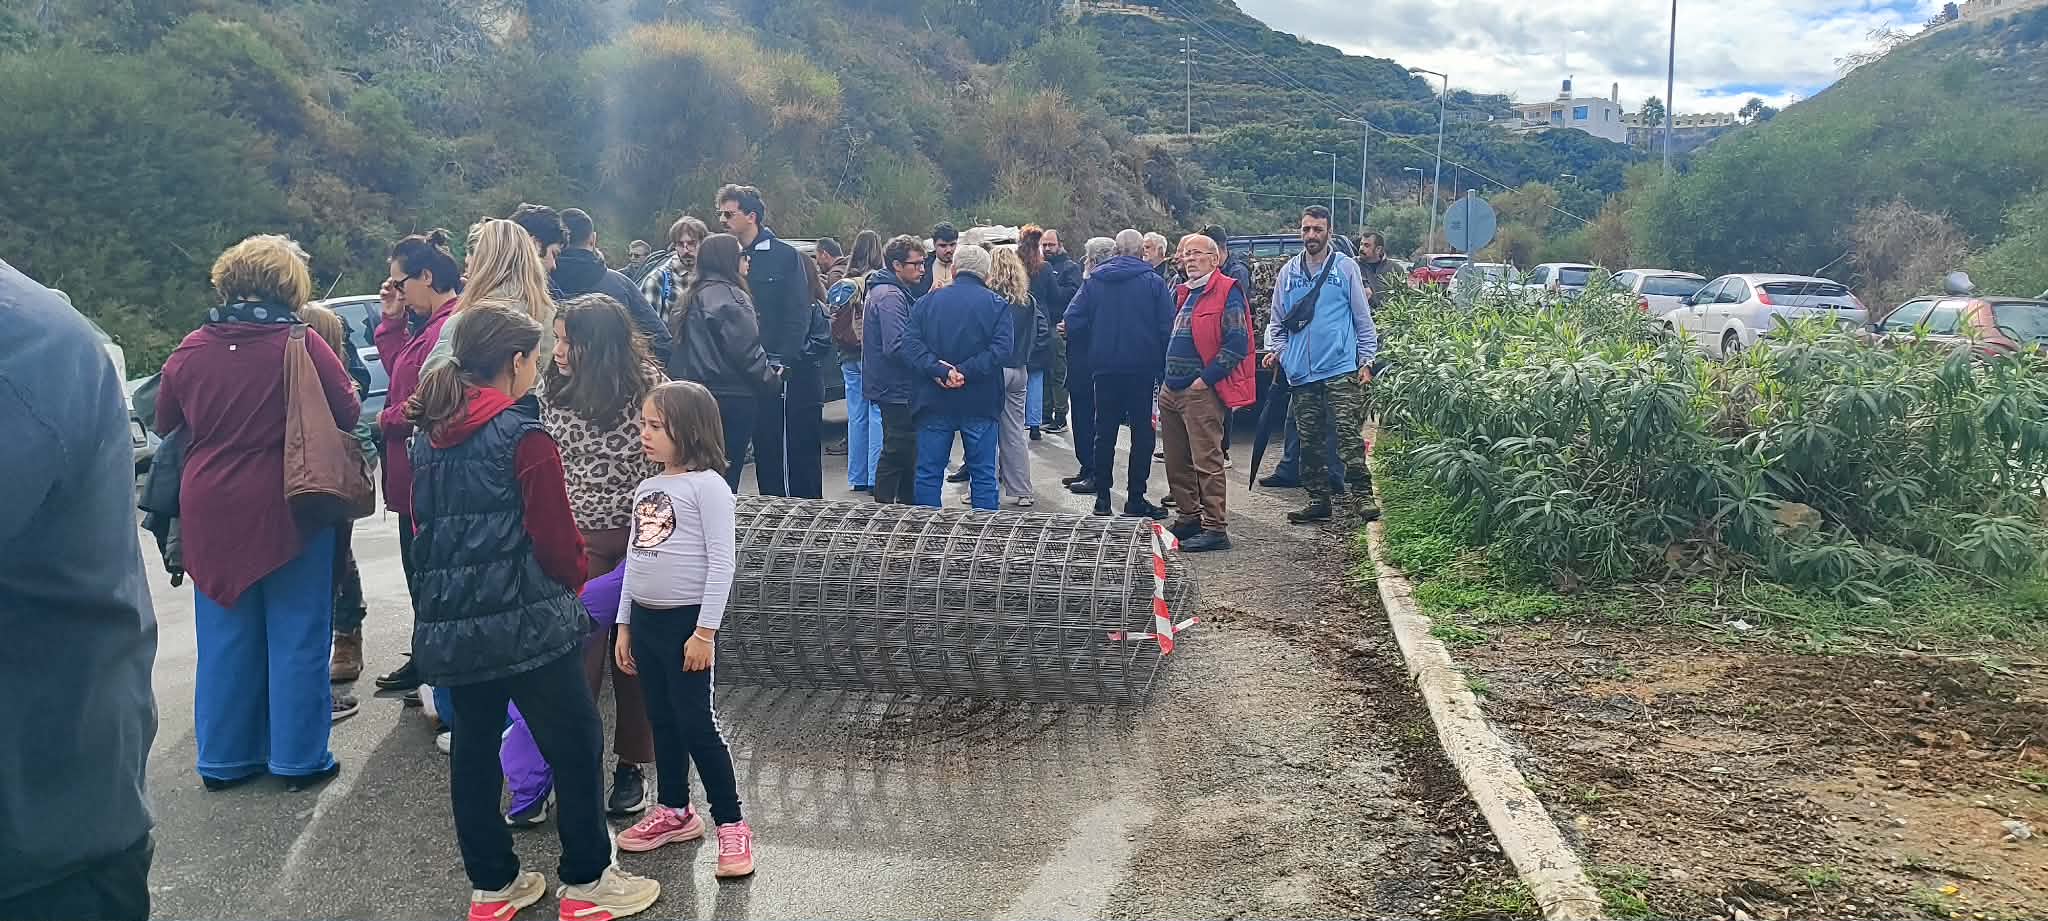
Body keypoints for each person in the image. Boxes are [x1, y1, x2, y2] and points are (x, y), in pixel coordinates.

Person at [405, 304, 662, 921]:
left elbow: (421, 527)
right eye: (537, 356)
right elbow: (555, 539)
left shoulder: (430, 433)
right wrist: (575, 580)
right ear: (516, 362)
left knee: (472, 748)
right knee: (576, 739)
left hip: (454, 620)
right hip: (526, 619)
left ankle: (494, 886)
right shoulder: (525, 436)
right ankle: (588, 880)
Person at [157, 234, 360, 789]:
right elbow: (346, 407)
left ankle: (224, 759)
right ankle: (297, 760)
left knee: (224, 633)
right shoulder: (300, 342)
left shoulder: (191, 347)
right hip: (289, 500)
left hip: (208, 505)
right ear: (289, 285)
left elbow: (164, 421)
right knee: (298, 634)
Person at [0, 260, 158, 921]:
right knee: (281, 635)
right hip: (56, 822)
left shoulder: (22, 350)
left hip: (42, 850)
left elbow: (164, 408)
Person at [526, 293, 663, 824]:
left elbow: (664, 462)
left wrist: (653, 543)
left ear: (598, 344)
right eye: (556, 338)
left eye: (567, 340)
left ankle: (631, 766)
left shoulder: (648, 385)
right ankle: (567, 764)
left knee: (632, 659)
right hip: (574, 539)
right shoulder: (553, 384)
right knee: (574, 659)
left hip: (636, 535)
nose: (556, 349)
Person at [611, 380, 756, 878]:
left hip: (686, 625)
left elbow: (722, 564)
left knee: (697, 723)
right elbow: (636, 558)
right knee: (661, 719)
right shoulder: (648, 488)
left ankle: (731, 824)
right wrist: (624, 622)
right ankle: (674, 810)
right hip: (646, 623)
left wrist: (705, 632)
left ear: (688, 429)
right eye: (644, 425)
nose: (644, 434)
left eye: (656, 426)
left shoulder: (709, 486)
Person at [368, 230, 463, 698]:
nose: (397, 292)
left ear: (427, 276)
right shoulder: (426, 325)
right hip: (411, 480)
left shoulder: (450, 325)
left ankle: (437, 669)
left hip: (425, 478)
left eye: (400, 284)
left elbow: (420, 403)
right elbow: (400, 372)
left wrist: (383, 422)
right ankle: (426, 656)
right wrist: (390, 321)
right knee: (418, 575)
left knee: (428, 575)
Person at [1265, 205, 1380, 524]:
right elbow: (1276, 323)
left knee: (1347, 435)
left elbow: (1362, 318)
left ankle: (1362, 496)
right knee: (1309, 440)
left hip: (1340, 368)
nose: (1311, 235)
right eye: (1306, 229)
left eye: (1317, 229)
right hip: (1302, 375)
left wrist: (1365, 360)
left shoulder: (1344, 268)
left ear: (1329, 231)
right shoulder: (1289, 272)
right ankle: (1318, 499)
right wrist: (1287, 357)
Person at [716, 183, 821, 499]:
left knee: (783, 450)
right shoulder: (724, 258)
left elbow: (797, 313)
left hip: (775, 371)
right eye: (720, 214)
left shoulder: (785, 256)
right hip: (737, 373)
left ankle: (793, 525)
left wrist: (783, 361)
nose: (722, 220)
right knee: (752, 451)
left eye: (729, 214)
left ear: (751, 216)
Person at [1066, 230, 1175, 519]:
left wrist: (1095, 342)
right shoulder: (1154, 282)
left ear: (1115, 251)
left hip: (1104, 369)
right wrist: (1162, 366)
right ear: (1142, 252)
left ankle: (1102, 498)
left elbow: (1072, 319)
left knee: (1104, 432)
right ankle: (1135, 499)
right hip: (1142, 369)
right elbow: (1167, 328)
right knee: (1142, 434)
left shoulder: (1094, 281)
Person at [665, 233, 780, 493]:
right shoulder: (733, 297)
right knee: (726, 477)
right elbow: (747, 351)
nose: (747, 259)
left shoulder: (690, 296)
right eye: (741, 254)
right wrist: (772, 381)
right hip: (731, 397)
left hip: (692, 395)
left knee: (696, 474)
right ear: (728, 259)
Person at [297, 304, 371, 703]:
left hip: (333, 481)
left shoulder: (339, 383)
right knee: (331, 558)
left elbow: (357, 436)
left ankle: (347, 635)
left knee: (338, 558)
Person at [1160, 234, 1253, 552]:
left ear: (1215, 259)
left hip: (1199, 393)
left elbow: (1237, 343)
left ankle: (1215, 527)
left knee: (1206, 462)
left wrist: (1206, 380)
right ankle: (1189, 518)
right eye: (1185, 254)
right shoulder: (1185, 292)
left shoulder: (1227, 291)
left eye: (1197, 253)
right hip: (1172, 390)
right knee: (1176, 461)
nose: (1188, 259)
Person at [902, 244, 1011, 510]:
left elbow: (910, 345)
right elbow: (1001, 350)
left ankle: (928, 537)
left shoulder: (926, 303)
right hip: (980, 400)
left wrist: (940, 370)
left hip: (934, 398)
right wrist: (965, 371)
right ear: (988, 275)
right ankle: (984, 540)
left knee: (929, 473)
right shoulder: (997, 305)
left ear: (953, 269)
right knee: (983, 475)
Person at [553, 208, 674, 363]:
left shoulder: (538, 287)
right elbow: (661, 342)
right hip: (614, 380)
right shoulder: (619, 284)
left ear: (559, 240)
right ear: (593, 239)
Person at [862, 235, 927, 505]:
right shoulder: (890, 296)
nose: (922, 269)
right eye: (917, 264)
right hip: (894, 387)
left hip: (889, 384)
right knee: (897, 449)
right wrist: (929, 363)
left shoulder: (890, 291)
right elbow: (896, 345)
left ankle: (901, 507)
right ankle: (885, 510)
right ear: (897, 265)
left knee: (904, 450)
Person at [989, 245, 1047, 508]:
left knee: (986, 430)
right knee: (1014, 431)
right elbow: (1042, 330)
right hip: (1020, 369)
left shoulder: (989, 299)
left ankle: (984, 486)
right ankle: (1023, 490)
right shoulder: (1028, 300)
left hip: (995, 370)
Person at [830, 230, 886, 492]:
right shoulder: (876, 281)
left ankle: (857, 476)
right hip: (869, 354)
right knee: (876, 412)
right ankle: (876, 475)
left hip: (847, 355)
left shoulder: (845, 280)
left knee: (856, 415)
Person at [1034, 229, 1083, 436]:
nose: (1047, 248)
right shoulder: (1039, 267)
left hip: (1058, 326)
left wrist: (1051, 288)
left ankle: (1061, 415)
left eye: (1050, 245)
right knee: (1043, 371)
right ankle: (1044, 415)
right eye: (1044, 245)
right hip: (1040, 327)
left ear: (1060, 244)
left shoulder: (1069, 268)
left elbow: (1072, 294)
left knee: (1058, 372)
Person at [641, 216, 709, 321]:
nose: (686, 250)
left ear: (703, 243)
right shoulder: (658, 279)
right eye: (680, 244)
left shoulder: (713, 273)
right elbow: (649, 328)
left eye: (691, 243)